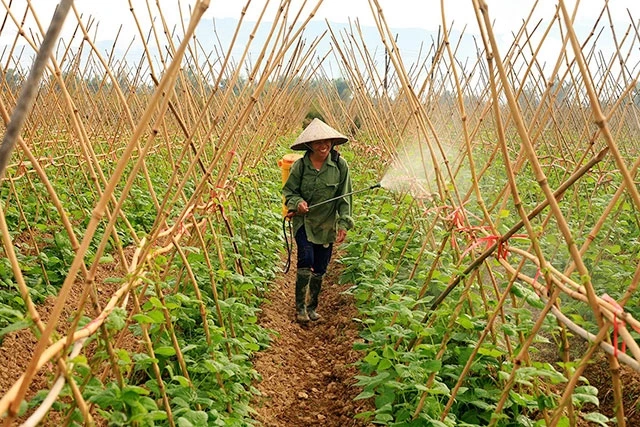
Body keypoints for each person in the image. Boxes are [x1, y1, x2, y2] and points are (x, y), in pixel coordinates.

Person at [282, 118, 354, 323]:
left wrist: (343, 223)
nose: (323, 146)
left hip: (327, 224)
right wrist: (298, 203)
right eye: (317, 142)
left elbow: (345, 197)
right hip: (304, 222)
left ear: (333, 142)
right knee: (306, 259)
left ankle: (312, 307)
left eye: (327, 142)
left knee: (321, 266)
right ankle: (300, 309)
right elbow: (289, 191)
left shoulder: (340, 166)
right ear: (309, 145)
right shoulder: (300, 166)